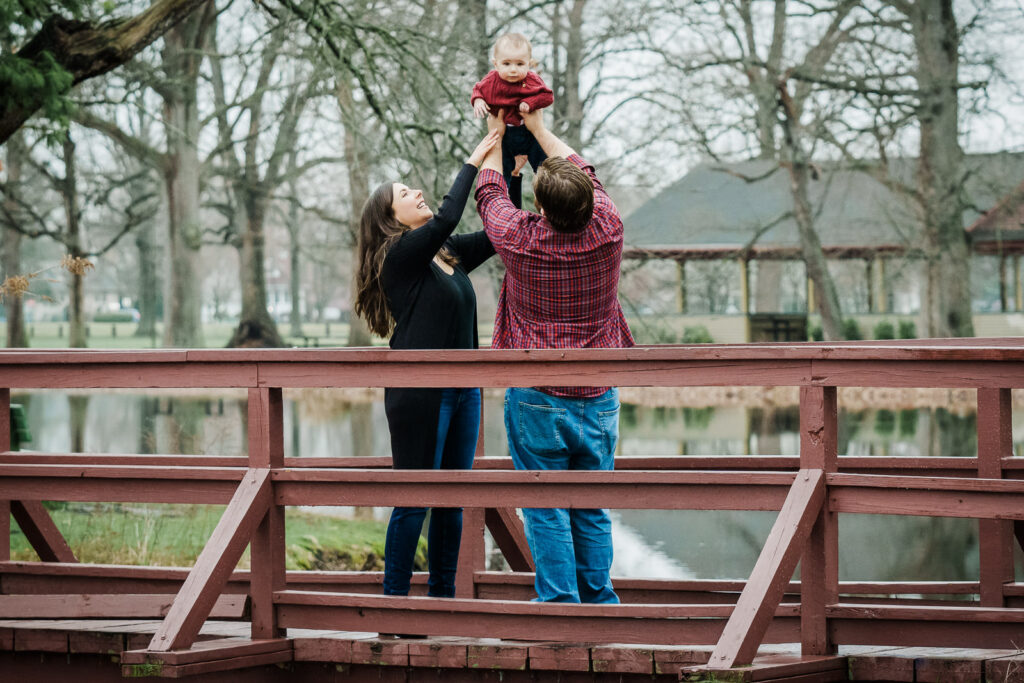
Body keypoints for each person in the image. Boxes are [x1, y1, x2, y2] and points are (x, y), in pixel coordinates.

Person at [474, 109, 635, 604]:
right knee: (592, 507)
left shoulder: (523, 239)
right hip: (599, 394)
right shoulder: (609, 228)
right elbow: (586, 171)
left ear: (540, 209)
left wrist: (497, 135)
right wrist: (540, 127)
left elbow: (489, 194)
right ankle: (600, 603)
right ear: (591, 201)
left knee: (544, 508)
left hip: (538, 395)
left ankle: (561, 608)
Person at [354, 129, 500, 601]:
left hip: (463, 393)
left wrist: (507, 174)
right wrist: (475, 158)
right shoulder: (399, 256)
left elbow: (501, 232)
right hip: (419, 394)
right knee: (415, 501)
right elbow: (445, 216)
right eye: (404, 193)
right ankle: (395, 606)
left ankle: (442, 602)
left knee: (452, 502)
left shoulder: (446, 253)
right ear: (389, 218)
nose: (416, 191)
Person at [471, 33, 553, 195]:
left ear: (529, 64)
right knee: (503, 166)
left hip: (528, 132)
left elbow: (547, 96)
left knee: (543, 164)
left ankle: (549, 191)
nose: (513, 69)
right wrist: (478, 101)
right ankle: (504, 193)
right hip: (505, 134)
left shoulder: (532, 80)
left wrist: (530, 103)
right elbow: (478, 90)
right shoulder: (492, 80)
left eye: (520, 64)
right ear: (496, 64)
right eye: (506, 63)